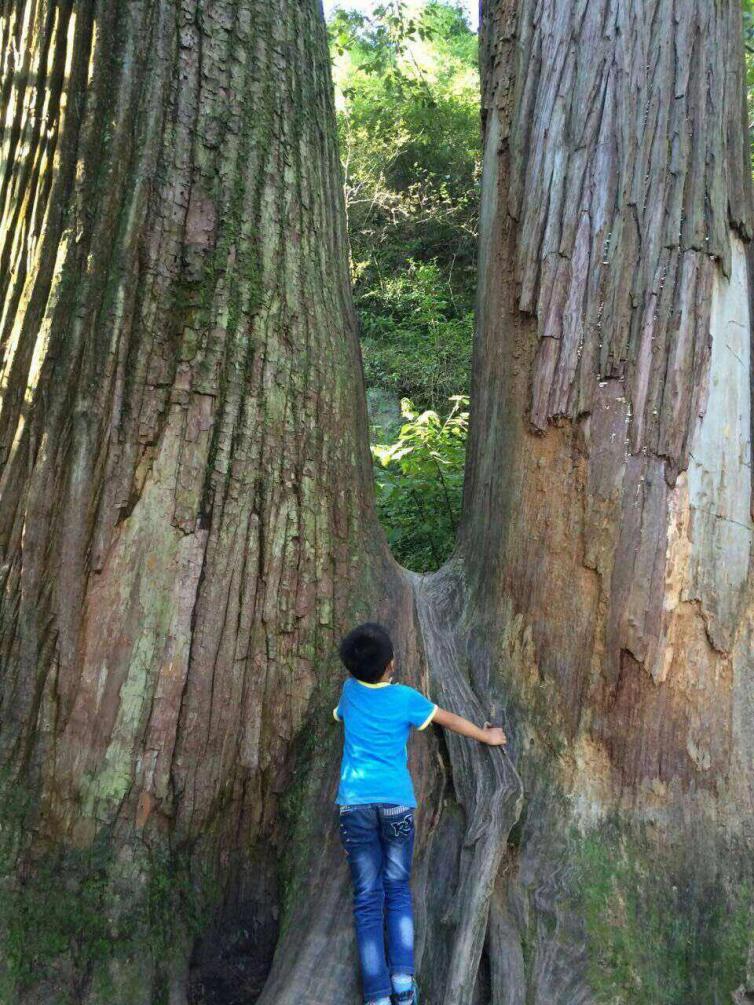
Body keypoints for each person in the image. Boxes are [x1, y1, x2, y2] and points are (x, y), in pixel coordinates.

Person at [333, 622, 507, 1005]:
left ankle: (377, 997)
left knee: (366, 898)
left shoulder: (349, 692)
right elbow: (448, 720)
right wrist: (487, 735)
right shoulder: (406, 699)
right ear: (392, 664)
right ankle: (403, 986)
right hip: (396, 804)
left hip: (355, 806)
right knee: (396, 891)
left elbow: (341, 716)